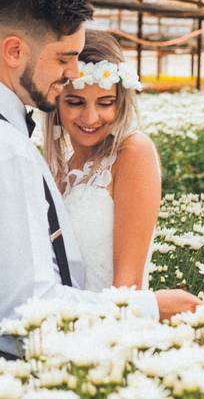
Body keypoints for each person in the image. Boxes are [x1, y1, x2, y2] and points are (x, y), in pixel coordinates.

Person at [0, 0, 200, 368]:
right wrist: (148, 309)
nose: (74, 73)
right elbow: (22, 309)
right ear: (13, 51)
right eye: (64, 58)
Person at [44, 29, 156, 292]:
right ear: (57, 103)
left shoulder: (133, 153)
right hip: (60, 322)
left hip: (111, 327)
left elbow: (126, 288)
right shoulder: (58, 169)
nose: (91, 117)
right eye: (75, 102)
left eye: (105, 103)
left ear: (120, 104)